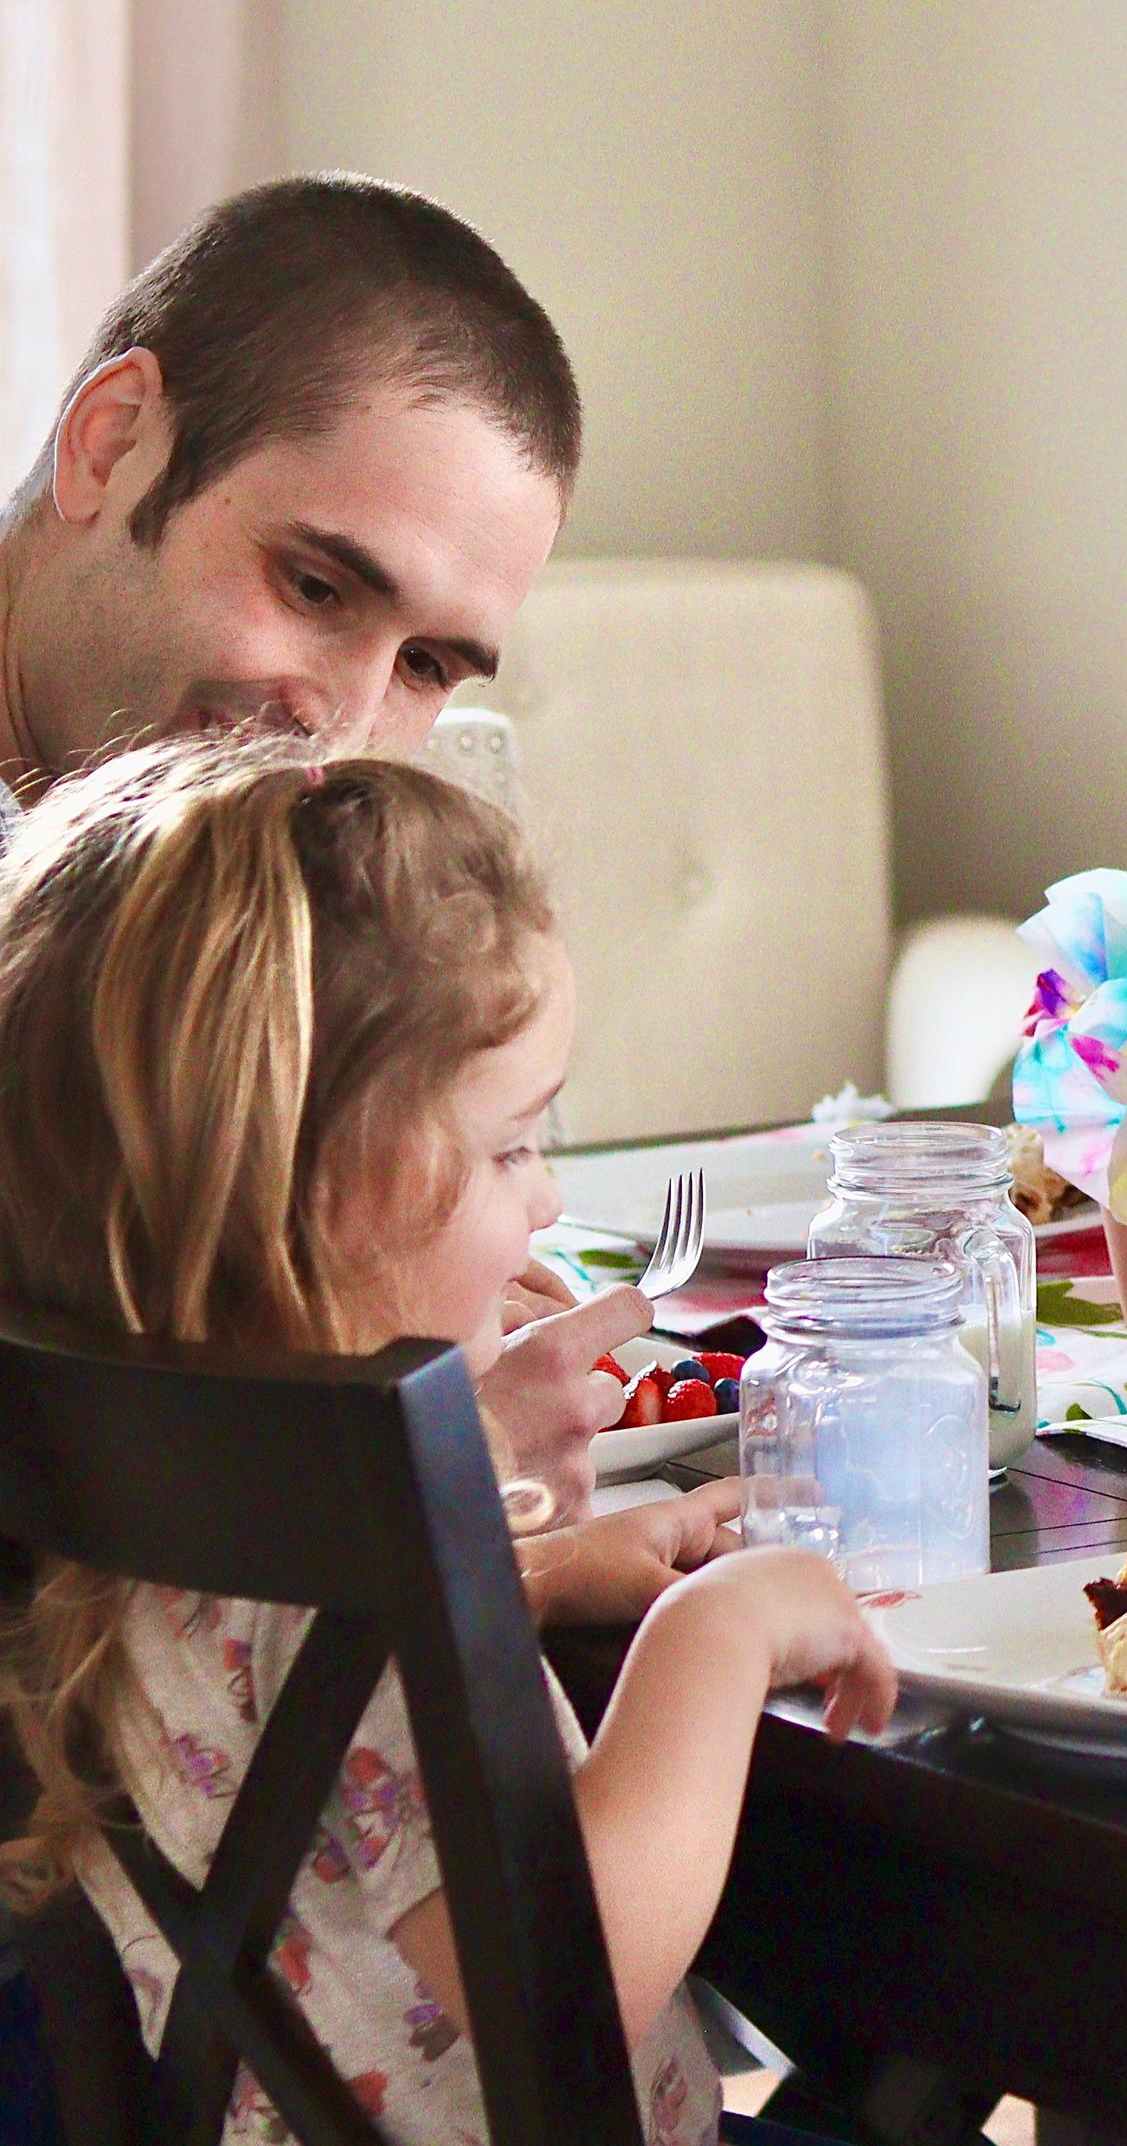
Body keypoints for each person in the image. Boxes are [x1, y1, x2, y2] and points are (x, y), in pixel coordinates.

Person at [0, 741, 895, 2142]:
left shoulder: (170, 1476)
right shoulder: (348, 1525)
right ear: (304, 1188)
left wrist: (527, 1563)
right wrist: (713, 1639)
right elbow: (568, 1969)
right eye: (510, 1150)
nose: (544, 1206)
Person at [0, 174, 630, 1523]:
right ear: (111, 443)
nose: (339, 724)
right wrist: (412, 1471)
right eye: (318, 587)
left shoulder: (350, 837)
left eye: (428, 666)